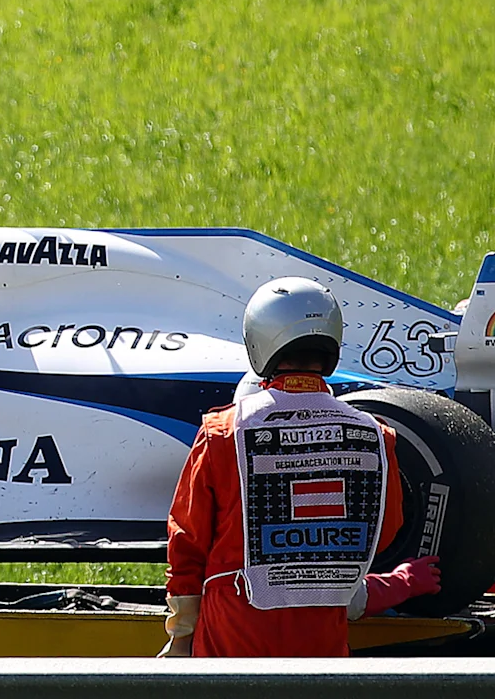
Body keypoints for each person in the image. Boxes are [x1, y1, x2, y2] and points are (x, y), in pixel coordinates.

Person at [162, 279, 439, 659]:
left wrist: (182, 633)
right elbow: (385, 529)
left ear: (259, 340)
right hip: (321, 628)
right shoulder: (375, 435)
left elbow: (187, 541)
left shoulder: (223, 432)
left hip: (234, 626)